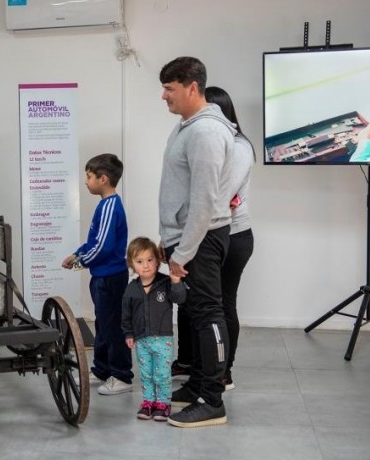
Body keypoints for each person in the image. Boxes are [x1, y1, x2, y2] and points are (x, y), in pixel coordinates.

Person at [157, 56, 234, 428]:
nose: (164, 96)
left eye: (170, 89)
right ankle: (198, 386)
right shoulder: (186, 127)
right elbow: (179, 191)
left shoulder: (205, 133)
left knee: (207, 315)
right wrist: (168, 240)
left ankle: (212, 399)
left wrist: (183, 252)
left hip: (200, 240)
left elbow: (204, 201)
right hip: (186, 238)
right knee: (192, 314)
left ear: (192, 87)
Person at [62, 153, 132, 396]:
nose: (86, 181)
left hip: (111, 277)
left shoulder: (111, 206)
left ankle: (122, 375)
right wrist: (77, 253)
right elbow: (95, 241)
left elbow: (103, 247)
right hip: (102, 276)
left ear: (103, 179)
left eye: (89, 177)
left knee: (113, 327)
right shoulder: (104, 205)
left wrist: (81, 261)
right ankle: (102, 369)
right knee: (102, 324)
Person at [206, 86, 255, 391]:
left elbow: (220, 196)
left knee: (223, 305)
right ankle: (207, 366)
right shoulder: (216, 143)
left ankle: (225, 371)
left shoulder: (238, 146)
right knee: (208, 306)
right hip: (213, 234)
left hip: (233, 236)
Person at [121, 237, 186, 422]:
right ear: (132, 264)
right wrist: (129, 334)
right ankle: (148, 402)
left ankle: (163, 403)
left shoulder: (165, 283)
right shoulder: (131, 289)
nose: (146, 266)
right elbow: (126, 315)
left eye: (150, 260)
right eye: (140, 262)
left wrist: (176, 283)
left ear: (157, 260)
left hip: (163, 339)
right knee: (146, 373)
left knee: (162, 374)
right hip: (141, 340)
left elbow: (180, 299)